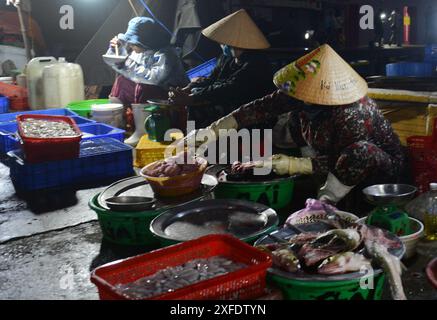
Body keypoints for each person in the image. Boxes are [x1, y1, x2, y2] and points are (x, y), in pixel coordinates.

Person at [184, 44, 405, 205]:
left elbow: (344, 159)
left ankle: (325, 202)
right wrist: (212, 132)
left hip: (377, 169)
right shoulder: (301, 92)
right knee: (293, 117)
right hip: (331, 156)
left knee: (360, 151)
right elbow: (260, 108)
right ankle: (314, 182)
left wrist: (293, 164)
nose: (299, 97)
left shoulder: (353, 112)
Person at [168, 9, 275, 129]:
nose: (222, 45)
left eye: (225, 43)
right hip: (231, 102)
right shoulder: (227, 58)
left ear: (238, 43)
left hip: (253, 115)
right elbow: (212, 79)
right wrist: (188, 89)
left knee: (199, 105)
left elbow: (230, 87)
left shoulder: (257, 64)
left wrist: (192, 98)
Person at [104, 17, 189, 146]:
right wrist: (116, 49)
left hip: (168, 97)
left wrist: (126, 62)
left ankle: (142, 130)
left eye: (133, 42)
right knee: (121, 81)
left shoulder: (166, 55)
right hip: (146, 96)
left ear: (146, 41)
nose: (131, 45)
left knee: (143, 86)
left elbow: (154, 79)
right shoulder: (139, 51)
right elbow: (126, 69)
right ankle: (118, 125)